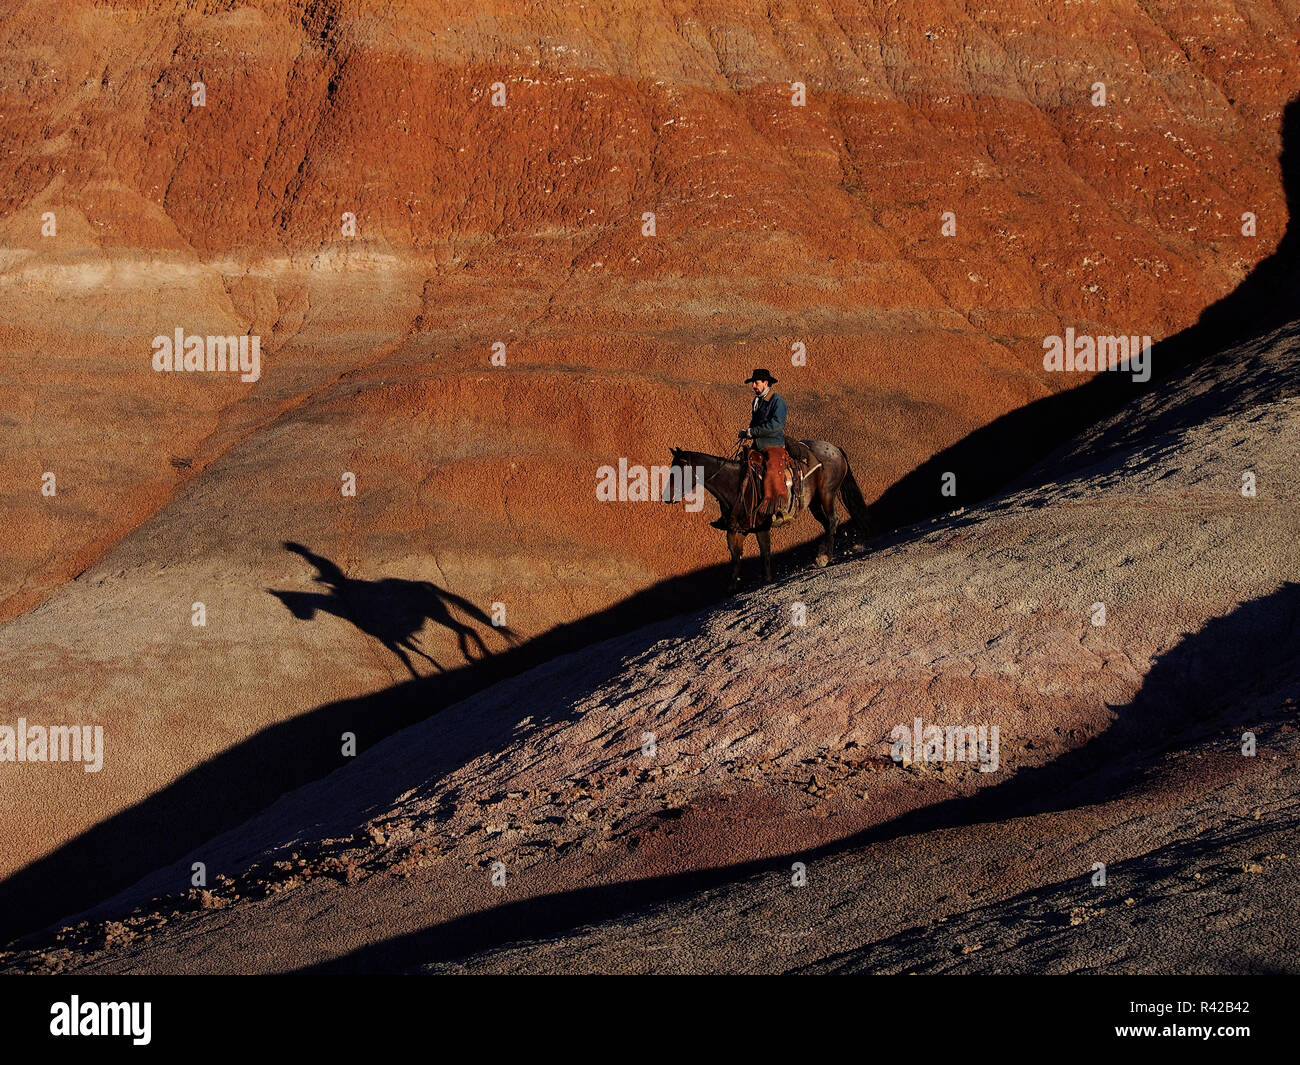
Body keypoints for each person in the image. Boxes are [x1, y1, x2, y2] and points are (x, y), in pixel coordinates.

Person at [737, 368, 789, 519]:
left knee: (773, 468)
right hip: (758, 444)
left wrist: (752, 432)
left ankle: (778, 507)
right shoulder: (756, 401)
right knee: (741, 464)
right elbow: (756, 423)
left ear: (766, 383)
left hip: (773, 444)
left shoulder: (777, 401)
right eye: (753, 382)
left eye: (756, 382)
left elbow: (776, 425)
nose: (753, 385)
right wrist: (746, 432)